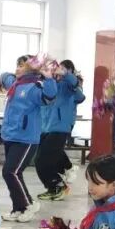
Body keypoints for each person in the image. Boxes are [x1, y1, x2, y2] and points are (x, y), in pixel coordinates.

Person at [0, 55, 57, 222]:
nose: (17, 68)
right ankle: (18, 208)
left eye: (21, 66)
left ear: (31, 69)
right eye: (17, 65)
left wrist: (49, 78)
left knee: (10, 172)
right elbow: (4, 76)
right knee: (14, 173)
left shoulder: (34, 87)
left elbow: (49, 97)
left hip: (26, 139)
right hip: (11, 136)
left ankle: (27, 205)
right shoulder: (15, 84)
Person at [37, 59, 86, 201]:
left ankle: (58, 185)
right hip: (45, 127)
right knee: (42, 159)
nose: (57, 71)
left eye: (62, 69)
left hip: (60, 127)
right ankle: (54, 186)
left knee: (44, 160)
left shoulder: (68, 85)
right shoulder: (49, 84)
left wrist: (66, 75)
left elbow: (80, 97)